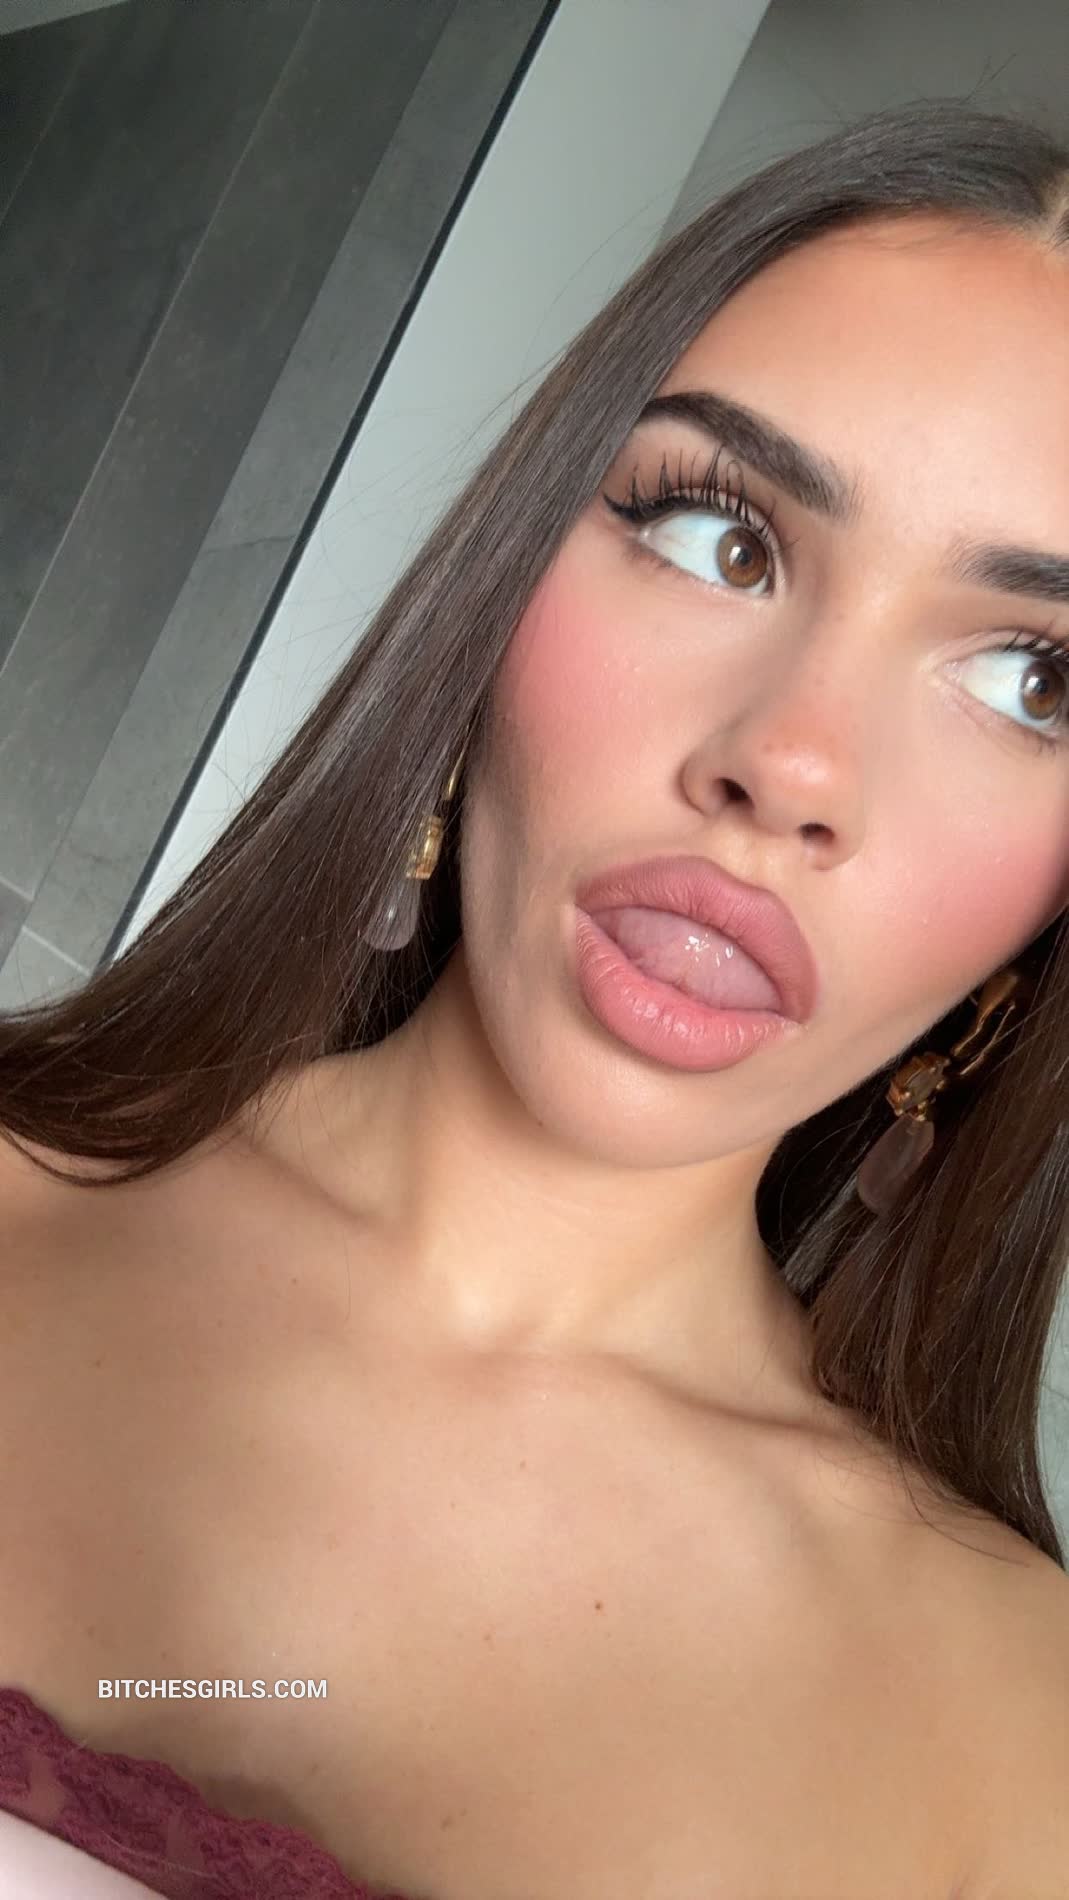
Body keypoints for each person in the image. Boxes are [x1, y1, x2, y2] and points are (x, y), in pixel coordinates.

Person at [0, 94, 1068, 1900]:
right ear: (494, 600)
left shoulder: (1019, 1748)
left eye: (1033, 678)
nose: (789, 764)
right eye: (718, 538)